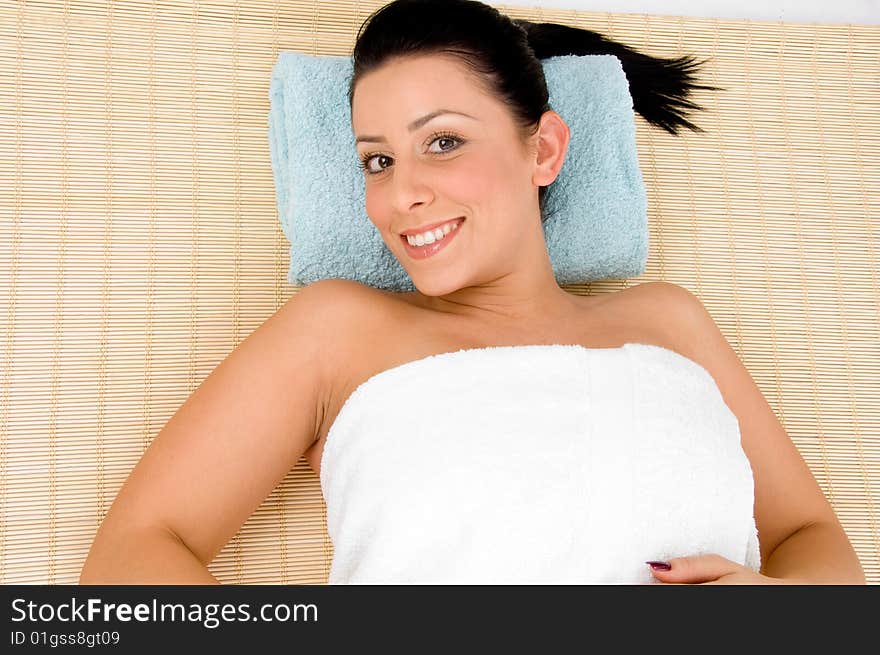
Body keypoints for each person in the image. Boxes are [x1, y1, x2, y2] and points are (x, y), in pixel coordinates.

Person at [79, 0, 865, 585]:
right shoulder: (339, 331)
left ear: (545, 149)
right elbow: (132, 557)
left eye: (443, 142)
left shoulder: (668, 323)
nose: (401, 195)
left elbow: (813, 539)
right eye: (377, 160)